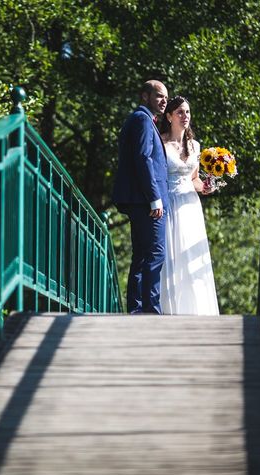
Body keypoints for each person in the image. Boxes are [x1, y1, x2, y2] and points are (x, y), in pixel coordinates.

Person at [112, 80, 169, 314]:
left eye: (166, 97)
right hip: (147, 201)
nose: (164, 100)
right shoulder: (143, 120)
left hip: (140, 200)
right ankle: (150, 310)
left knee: (142, 255)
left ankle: (136, 308)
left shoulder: (140, 119)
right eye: (159, 96)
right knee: (155, 253)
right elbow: (143, 158)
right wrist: (154, 198)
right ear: (145, 96)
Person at [158, 96, 219, 315]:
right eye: (180, 112)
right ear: (169, 116)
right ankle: (169, 308)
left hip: (191, 206)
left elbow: (194, 179)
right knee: (171, 253)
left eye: (188, 112)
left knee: (191, 256)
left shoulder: (196, 146)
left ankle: (195, 309)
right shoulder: (161, 142)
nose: (186, 117)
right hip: (170, 203)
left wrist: (206, 186)